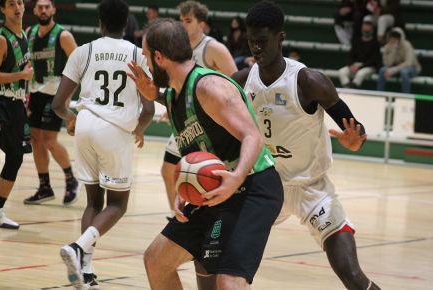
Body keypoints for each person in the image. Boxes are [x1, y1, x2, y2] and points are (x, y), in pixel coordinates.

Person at [224, 2, 380, 289]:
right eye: (251, 42)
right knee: (218, 255)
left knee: (351, 273)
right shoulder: (242, 81)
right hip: (266, 186)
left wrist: (354, 141)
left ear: (281, 38)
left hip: (313, 188)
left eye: (263, 42)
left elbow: (356, 133)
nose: (256, 49)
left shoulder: (309, 81)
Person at [128, 18, 283, 290]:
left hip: (252, 187)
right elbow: (195, 154)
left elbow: (253, 136)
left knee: (228, 281)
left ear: (160, 57)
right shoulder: (175, 96)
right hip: (215, 192)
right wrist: (182, 190)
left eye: (146, 57)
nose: (146, 65)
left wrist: (235, 178)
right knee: (156, 260)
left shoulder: (209, 87)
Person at [52, 0, 154, 288]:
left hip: (85, 124)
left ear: (99, 23)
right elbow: (147, 109)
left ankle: (86, 270)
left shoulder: (83, 51)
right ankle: (77, 248)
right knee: (118, 203)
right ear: (126, 24)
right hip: (116, 129)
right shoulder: (138, 54)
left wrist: (71, 119)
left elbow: (59, 104)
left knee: (94, 202)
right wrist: (141, 130)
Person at [160, 0, 238, 218]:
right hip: (185, 119)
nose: (183, 25)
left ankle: (211, 214)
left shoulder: (213, 48)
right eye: (181, 20)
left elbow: (236, 81)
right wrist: (172, 107)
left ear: (201, 24)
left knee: (207, 172)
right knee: (168, 170)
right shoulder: (177, 48)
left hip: (209, 121)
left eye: (188, 20)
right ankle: (176, 216)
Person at [22, 0, 79, 205]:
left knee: (49, 140)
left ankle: (71, 180)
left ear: (54, 9)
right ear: (35, 10)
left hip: (55, 95)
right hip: (35, 92)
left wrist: (69, 94)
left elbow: (79, 66)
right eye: (40, 7)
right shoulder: (29, 32)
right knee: (35, 139)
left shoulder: (64, 36)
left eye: (47, 6)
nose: (44, 10)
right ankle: (44, 187)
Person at [0, 0, 33, 229]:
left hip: (16, 104)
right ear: (3, 9)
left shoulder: (24, 35)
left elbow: (25, 74)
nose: (17, 7)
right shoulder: (1, 39)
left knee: (15, 156)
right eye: (11, 3)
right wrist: (20, 76)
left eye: (20, 2)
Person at [377, 27, 421, 94]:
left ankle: (406, 97)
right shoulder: (387, 47)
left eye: (396, 37)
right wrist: (393, 50)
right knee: (382, 70)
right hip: (396, 69)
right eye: (392, 37)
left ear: (400, 38)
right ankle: (379, 94)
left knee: (404, 72)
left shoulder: (407, 45)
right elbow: (387, 64)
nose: (394, 39)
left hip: (412, 68)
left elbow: (409, 63)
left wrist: (393, 70)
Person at [338, 20, 381, 89]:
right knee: (341, 72)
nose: (365, 32)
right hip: (355, 65)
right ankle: (348, 89)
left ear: (372, 30)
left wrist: (360, 67)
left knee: (360, 74)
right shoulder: (356, 41)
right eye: (364, 30)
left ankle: (352, 89)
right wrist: (351, 65)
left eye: (368, 30)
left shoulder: (375, 43)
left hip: (369, 66)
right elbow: (350, 55)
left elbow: (374, 60)